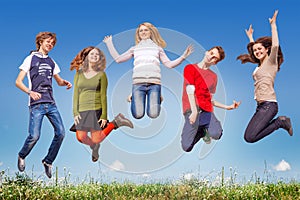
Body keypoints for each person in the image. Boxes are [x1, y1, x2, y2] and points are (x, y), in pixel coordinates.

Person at [103, 22, 193, 119]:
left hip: (154, 84)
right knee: (138, 115)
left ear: (151, 32)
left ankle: (157, 97)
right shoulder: (134, 49)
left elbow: (169, 64)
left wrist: (183, 56)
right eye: (141, 30)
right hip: (138, 84)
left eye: (146, 30)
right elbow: (118, 59)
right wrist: (109, 43)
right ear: (138, 34)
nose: (143, 32)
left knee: (153, 114)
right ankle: (134, 96)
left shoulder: (158, 49)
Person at [16, 32, 72, 178]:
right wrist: (30, 92)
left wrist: (64, 82)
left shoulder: (52, 62)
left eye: (52, 43)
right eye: (48, 42)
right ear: (40, 42)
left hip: (51, 103)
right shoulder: (30, 59)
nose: (50, 45)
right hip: (36, 104)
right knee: (34, 136)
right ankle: (22, 155)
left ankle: (48, 161)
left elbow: (58, 80)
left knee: (61, 133)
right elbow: (18, 81)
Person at [237, 10, 293, 143]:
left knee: (250, 137)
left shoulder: (271, 62)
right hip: (261, 106)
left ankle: (281, 122)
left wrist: (273, 25)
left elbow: (275, 46)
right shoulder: (260, 66)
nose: (257, 52)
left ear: (266, 49)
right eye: (255, 50)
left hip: (269, 105)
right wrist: (251, 38)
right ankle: (280, 122)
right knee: (248, 137)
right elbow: (254, 51)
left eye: (260, 49)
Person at [70, 46, 133, 162]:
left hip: (96, 109)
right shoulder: (78, 73)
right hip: (82, 110)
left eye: (97, 55)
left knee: (97, 138)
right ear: (86, 56)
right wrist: (75, 112)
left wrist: (104, 115)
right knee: (81, 137)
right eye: (92, 54)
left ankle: (115, 123)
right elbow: (76, 94)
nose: (94, 56)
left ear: (99, 59)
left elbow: (103, 95)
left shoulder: (101, 75)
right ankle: (94, 146)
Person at [181, 46, 240, 152]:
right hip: (191, 110)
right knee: (186, 147)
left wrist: (227, 107)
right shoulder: (190, 68)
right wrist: (194, 111)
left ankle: (206, 129)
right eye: (211, 53)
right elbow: (190, 89)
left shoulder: (213, 77)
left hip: (205, 111)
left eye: (215, 58)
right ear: (206, 52)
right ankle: (202, 131)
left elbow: (210, 99)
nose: (211, 57)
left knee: (216, 133)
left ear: (215, 63)